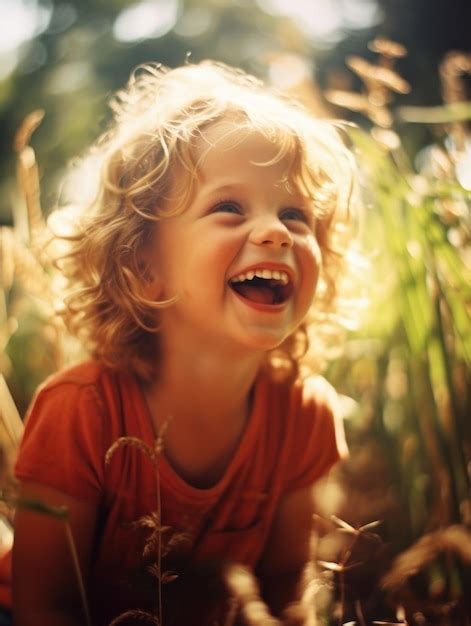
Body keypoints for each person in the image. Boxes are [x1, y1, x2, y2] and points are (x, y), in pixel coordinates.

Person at [11, 60, 359, 626]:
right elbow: (44, 607)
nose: (275, 231)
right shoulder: (80, 411)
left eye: (295, 214)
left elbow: (284, 594)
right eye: (229, 208)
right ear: (144, 264)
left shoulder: (305, 412)